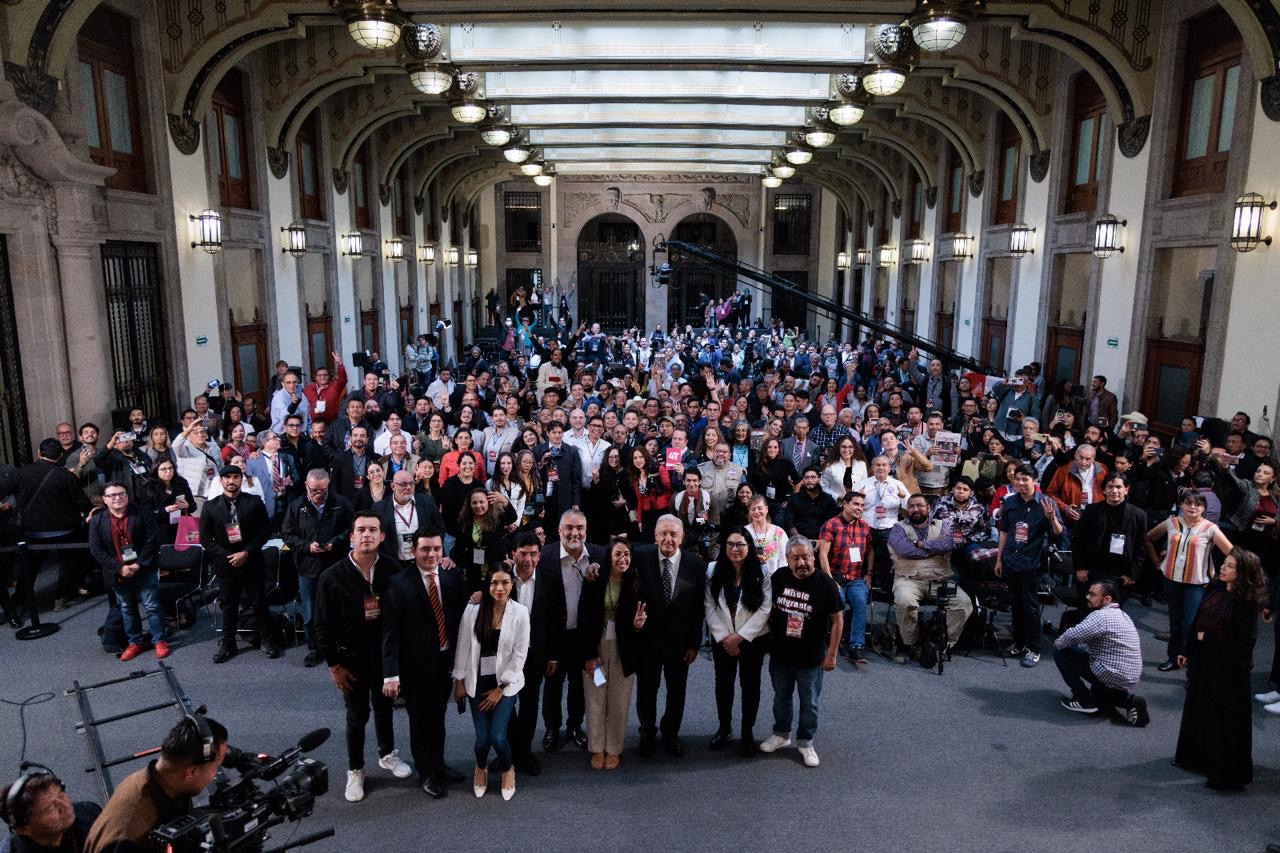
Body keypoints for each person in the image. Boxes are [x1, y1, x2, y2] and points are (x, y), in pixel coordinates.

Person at [313, 511, 412, 803]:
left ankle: (387, 755)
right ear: (352, 536)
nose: (367, 534)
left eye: (373, 530)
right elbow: (321, 627)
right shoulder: (331, 577)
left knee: (385, 709)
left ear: (382, 536)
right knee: (357, 716)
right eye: (361, 530)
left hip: (384, 658)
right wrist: (333, 666)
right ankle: (355, 770)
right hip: (350, 661)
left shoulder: (393, 570)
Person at [381, 527, 468, 799]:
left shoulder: (453, 577)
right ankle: (426, 772)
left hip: (445, 663)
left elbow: (463, 618)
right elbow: (390, 632)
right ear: (413, 551)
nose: (431, 554)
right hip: (415, 667)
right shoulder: (398, 583)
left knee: (439, 717)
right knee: (420, 721)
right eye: (425, 549)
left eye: (436, 549)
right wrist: (391, 674)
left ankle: (439, 764)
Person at [1174, 548, 1269, 790]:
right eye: (1224, 564)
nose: (1223, 569)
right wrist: (1188, 649)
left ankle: (1224, 773)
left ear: (1243, 574)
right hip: (1205, 663)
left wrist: (1207, 640)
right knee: (1199, 710)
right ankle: (1196, 758)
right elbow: (1197, 622)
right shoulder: (1215, 589)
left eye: (1229, 566)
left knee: (1222, 720)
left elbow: (1244, 645)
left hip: (1229, 671)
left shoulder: (1246, 605)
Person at [84, 715, 228, 853]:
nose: (215, 775)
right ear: (191, 773)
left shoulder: (160, 778)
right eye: (216, 767)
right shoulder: (131, 836)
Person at [628, 515, 707, 757]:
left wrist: (694, 643)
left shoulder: (696, 565)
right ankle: (647, 732)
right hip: (647, 641)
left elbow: (697, 608)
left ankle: (671, 733)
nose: (668, 539)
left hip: (679, 643)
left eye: (673, 534)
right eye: (663, 533)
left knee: (676, 691)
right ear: (655, 535)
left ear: (682, 538)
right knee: (646, 690)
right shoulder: (640, 557)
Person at [759, 536, 841, 768]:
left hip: (811, 658)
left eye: (805, 556)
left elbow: (837, 622)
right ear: (787, 559)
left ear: (813, 556)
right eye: (796, 558)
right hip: (781, 654)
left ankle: (806, 742)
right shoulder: (779, 577)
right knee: (781, 699)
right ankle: (782, 734)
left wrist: (832, 654)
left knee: (810, 703)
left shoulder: (825, 584)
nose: (801, 562)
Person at [453, 563, 530, 801]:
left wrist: (501, 688)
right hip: (477, 683)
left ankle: (508, 769)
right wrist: (459, 681)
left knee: (498, 737)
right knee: (482, 740)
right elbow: (463, 646)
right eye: (494, 583)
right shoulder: (473, 610)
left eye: (505, 582)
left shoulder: (520, 612)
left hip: (505, 686)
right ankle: (480, 767)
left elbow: (519, 655)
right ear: (488, 585)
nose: (499, 588)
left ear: (512, 584)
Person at [1145, 491, 1233, 672]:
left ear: (1203, 508)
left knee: (1191, 624)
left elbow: (1232, 552)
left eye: (1198, 504)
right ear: (1181, 505)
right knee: (1175, 621)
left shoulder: (1211, 528)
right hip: (1171, 579)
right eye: (1188, 503)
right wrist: (1156, 561)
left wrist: (1226, 574)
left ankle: (1193, 663)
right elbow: (1148, 538)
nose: (1193, 507)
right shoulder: (1172, 522)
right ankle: (1173, 658)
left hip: (1196, 584)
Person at [200, 465, 279, 663]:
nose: (231, 481)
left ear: (241, 479)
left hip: (252, 561)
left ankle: (266, 639)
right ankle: (228, 642)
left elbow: (264, 531)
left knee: (259, 602)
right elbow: (206, 539)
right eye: (227, 478)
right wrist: (229, 556)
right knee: (228, 605)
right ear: (221, 481)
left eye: (235, 477)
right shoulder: (211, 506)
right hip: (226, 564)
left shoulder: (254, 502)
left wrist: (246, 552)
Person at [704, 527, 772, 757]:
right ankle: (725, 728)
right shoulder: (713, 569)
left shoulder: (762, 571)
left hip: (752, 639)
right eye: (731, 544)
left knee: (750, 685)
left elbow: (765, 609)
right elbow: (709, 606)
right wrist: (725, 637)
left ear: (749, 546)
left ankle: (747, 731)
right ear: (724, 547)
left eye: (740, 545)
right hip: (722, 638)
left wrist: (740, 637)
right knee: (723, 684)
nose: (735, 549)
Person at [539, 510, 603, 753]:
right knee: (552, 686)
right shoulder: (545, 557)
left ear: (586, 531)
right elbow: (541, 607)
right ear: (559, 530)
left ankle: (575, 726)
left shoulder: (599, 555)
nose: (574, 533)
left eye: (579, 528)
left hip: (585, 638)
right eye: (569, 528)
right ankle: (551, 728)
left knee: (580, 686)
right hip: (556, 636)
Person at [506, 532, 566, 777]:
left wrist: (553, 656)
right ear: (513, 555)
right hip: (506, 657)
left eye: (533, 554)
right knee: (506, 704)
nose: (528, 559)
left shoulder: (551, 580)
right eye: (523, 554)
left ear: (539, 557)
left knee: (530, 703)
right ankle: (508, 750)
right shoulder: (500, 579)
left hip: (536, 655)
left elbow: (557, 620)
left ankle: (524, 751)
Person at [887, 495, 974, 665]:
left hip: (940, 579)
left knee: (963, 603)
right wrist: (933, 550)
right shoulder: (898, 528)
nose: (915, 509)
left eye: (919, 506)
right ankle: (909, 643)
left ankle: (941, 644)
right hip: (908, 579)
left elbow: (947, 545)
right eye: (911, 506)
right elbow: (904, 551)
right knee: (905, 601)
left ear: (929, 508)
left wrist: (920, 544)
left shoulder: (944, 526)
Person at [281, 469, 355, 667]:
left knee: (340, 608)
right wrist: (307, 546)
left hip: (335, 564)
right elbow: (287, 535)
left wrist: (336, 542)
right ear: (306, 485)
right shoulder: (296, 506)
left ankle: (340, 645)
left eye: (322, 490)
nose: (317, 494)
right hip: (308, 566)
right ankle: (314, 649)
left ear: (328, 486)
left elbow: (352, 528)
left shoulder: (341, 503)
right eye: (313, 490)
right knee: (310, 612)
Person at [87, 483, 167, 661]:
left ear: (127, 496)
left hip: (143, 568)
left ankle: (159, 640)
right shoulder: (98, 521)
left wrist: (138, 564)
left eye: (121, 494)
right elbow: (97, 550)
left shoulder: (141, 513)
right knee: (127, 609)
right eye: (112, 495)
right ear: (105, 500)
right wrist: (120, 568)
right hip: (118, 573)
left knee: (152, 606)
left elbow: (152, 540)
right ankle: (135, 642)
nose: (117, 498)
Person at [995, 464, 1064, 668]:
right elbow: (1004, 532)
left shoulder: (1046, 502)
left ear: (1035, 481)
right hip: (1010, 560)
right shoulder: (1010, 503)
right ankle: (1018, 643)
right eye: (1017, 479)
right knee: (1015, 605)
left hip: (1031, 563)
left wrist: (1052, 519)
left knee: (1031, 608)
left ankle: (1034, 648)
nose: (1021, 483)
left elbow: (1059, 533)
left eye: (1025, 479)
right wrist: (999, 559)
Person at [1051, 579, 1148, 724]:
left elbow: (1071, 636)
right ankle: (1129, 701)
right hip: (1130, 678)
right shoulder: (1123, 615)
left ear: (1107, 599)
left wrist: (1058, 642)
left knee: (1061, 652)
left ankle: (1083, 700)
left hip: (1110, 674)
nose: (1087, 597)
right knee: (1098, 690)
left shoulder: (1100, 616)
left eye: (1092, 594)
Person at [1072, 474, 1148, 603]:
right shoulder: (1091, 511)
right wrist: (1080, 567)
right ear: (1104, 490)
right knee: (1087, 609)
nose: (1114, 491)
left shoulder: (1139, 515)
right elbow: (1078, 540)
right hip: (1092, 571)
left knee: (1113, 614)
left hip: (1120, 575)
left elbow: (1141, 548)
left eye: (1119, 487)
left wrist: (1131, 574)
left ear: (1126, 489)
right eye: (1110, 487)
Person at [818, 491, 874, 664]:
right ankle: (838, 640)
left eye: (862, 505)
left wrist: (869, 573)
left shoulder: (864, 526)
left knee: (859, 602)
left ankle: (856, 645)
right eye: (856, 504)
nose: (860, 508)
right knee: (838, 602)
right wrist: (830, 581)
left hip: (857, 578)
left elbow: (870, 550)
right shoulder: (831, 525)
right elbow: (822, 555)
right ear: (845, 504)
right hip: (836, 576)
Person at [0, 765, 100, 853]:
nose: (66, 806)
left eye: (61, 795)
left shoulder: (89, 812)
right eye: (50, 809)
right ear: (22, 829)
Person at [373, 471, 447, 570]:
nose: (408, 487)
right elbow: (378, 538)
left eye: (411, 483)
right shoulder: (379, 508)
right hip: (395, 563)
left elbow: (440, 527)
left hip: (424, 560)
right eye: (403, 484)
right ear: (393, 486)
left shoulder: (427, 501)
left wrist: (437, 551)